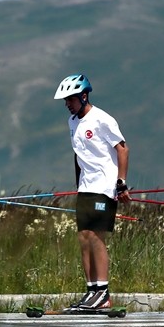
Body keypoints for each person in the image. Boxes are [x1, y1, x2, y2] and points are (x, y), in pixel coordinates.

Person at [53, 73, 130, 311]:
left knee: (96, 237)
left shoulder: (102, 119)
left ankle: (103, 293)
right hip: (86, 187)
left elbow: (123, 150)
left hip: (105, 187)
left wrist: (121, 183)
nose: (67, 104)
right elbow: (78, 155)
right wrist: (78, 185)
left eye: (71, 99)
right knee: (83, 238)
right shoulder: (72, 122)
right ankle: (91, 291)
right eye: (66, 100)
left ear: (84, 97)